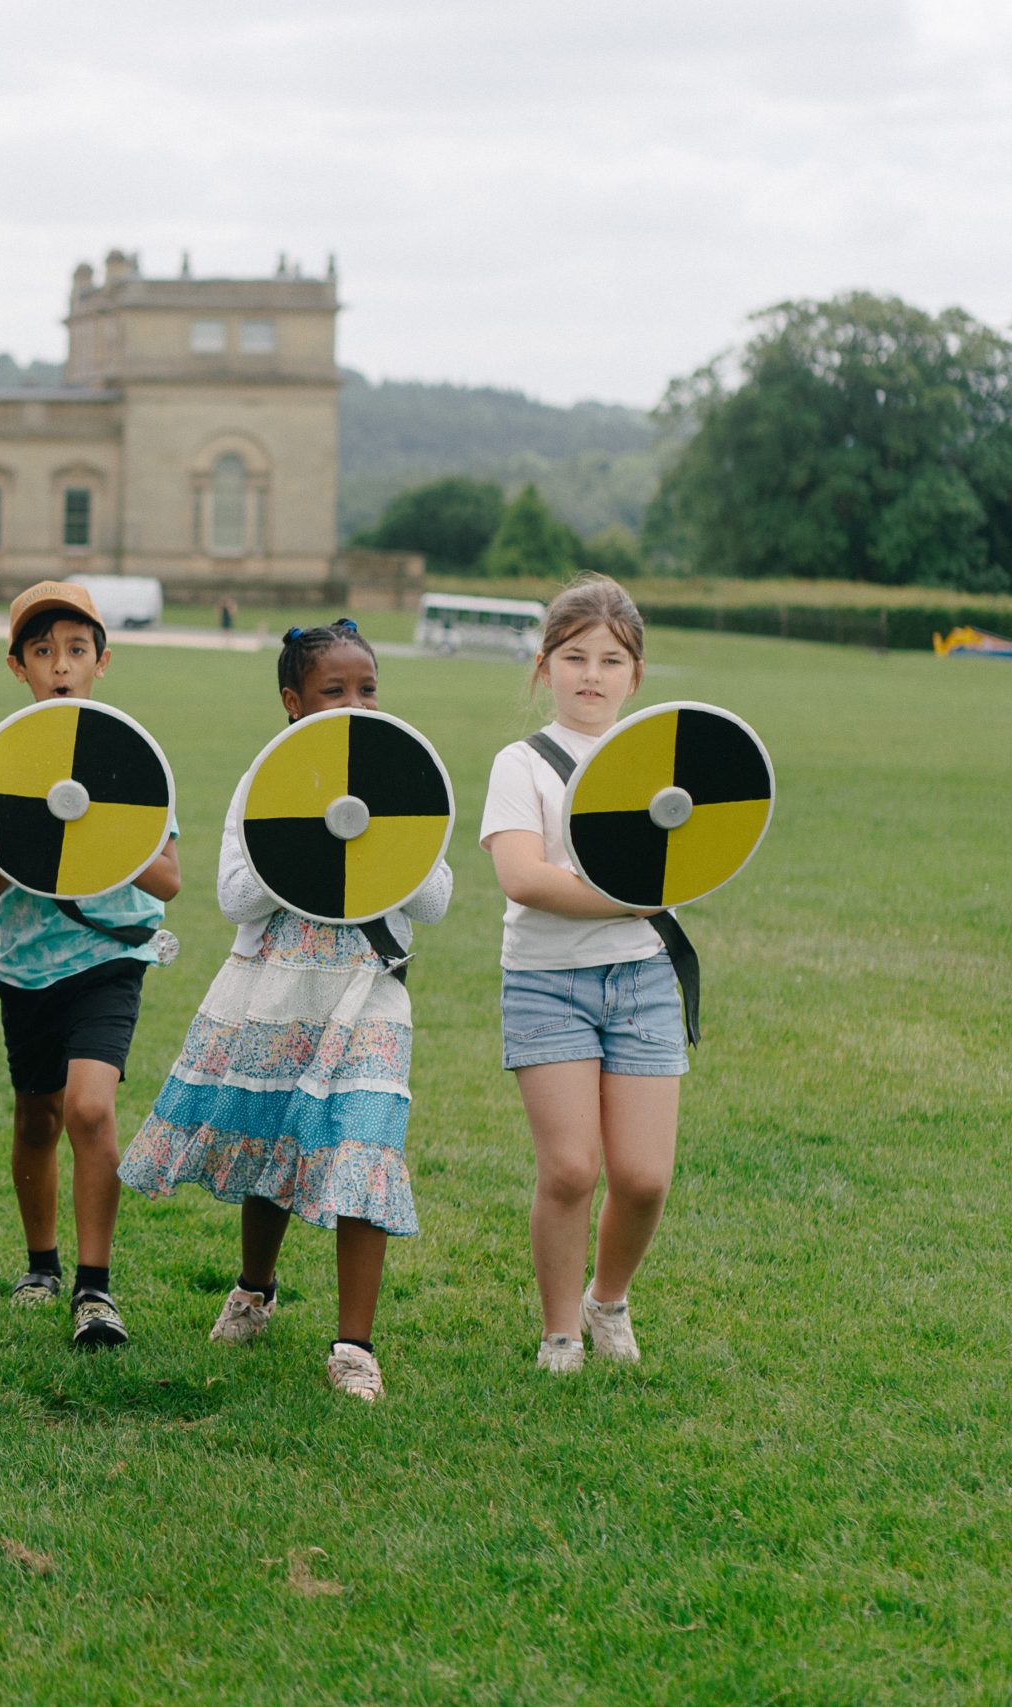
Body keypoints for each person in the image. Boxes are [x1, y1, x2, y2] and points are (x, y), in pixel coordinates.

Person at [117, 622, 450, 1400]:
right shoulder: (263, 779)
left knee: (365, 1143)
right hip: (274, 990)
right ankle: (254, 1288)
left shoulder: (399, 776)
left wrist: (377, 833)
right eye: (335, 691)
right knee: (274, 1140)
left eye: (368, 688)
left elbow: (434, 897)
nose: (355, 704)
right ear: (293, 703)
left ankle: (354, 1345)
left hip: (369, 990)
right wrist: (306, 834)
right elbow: (234, 894)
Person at [479, 575, 684, 1374]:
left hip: (642, 983)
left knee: (643, 1175)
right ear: (545, 667)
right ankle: (560, 1330)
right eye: (574, 657)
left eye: (610, 659)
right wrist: (629, 901)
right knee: (570, 1168)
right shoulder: (519, 764)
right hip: (546, 982)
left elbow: (697, 858)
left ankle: (608, 1299)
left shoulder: (659, 763)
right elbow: (524, 877)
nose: (591, 674)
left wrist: (647, 903)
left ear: (636, 675)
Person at [0, 582, 181, 1348]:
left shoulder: (127, 754)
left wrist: (95, 822)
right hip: (26, 963)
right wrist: (28, 833)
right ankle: (41, 1264)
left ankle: (94, 1289)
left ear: (104, 659)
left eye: (75, 650)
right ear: (18, 666)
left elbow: (167, 878)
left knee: (89, 1107)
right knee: (36, 1115)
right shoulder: (2, 761)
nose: (60, 667)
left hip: (111, 954)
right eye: (43, 652)